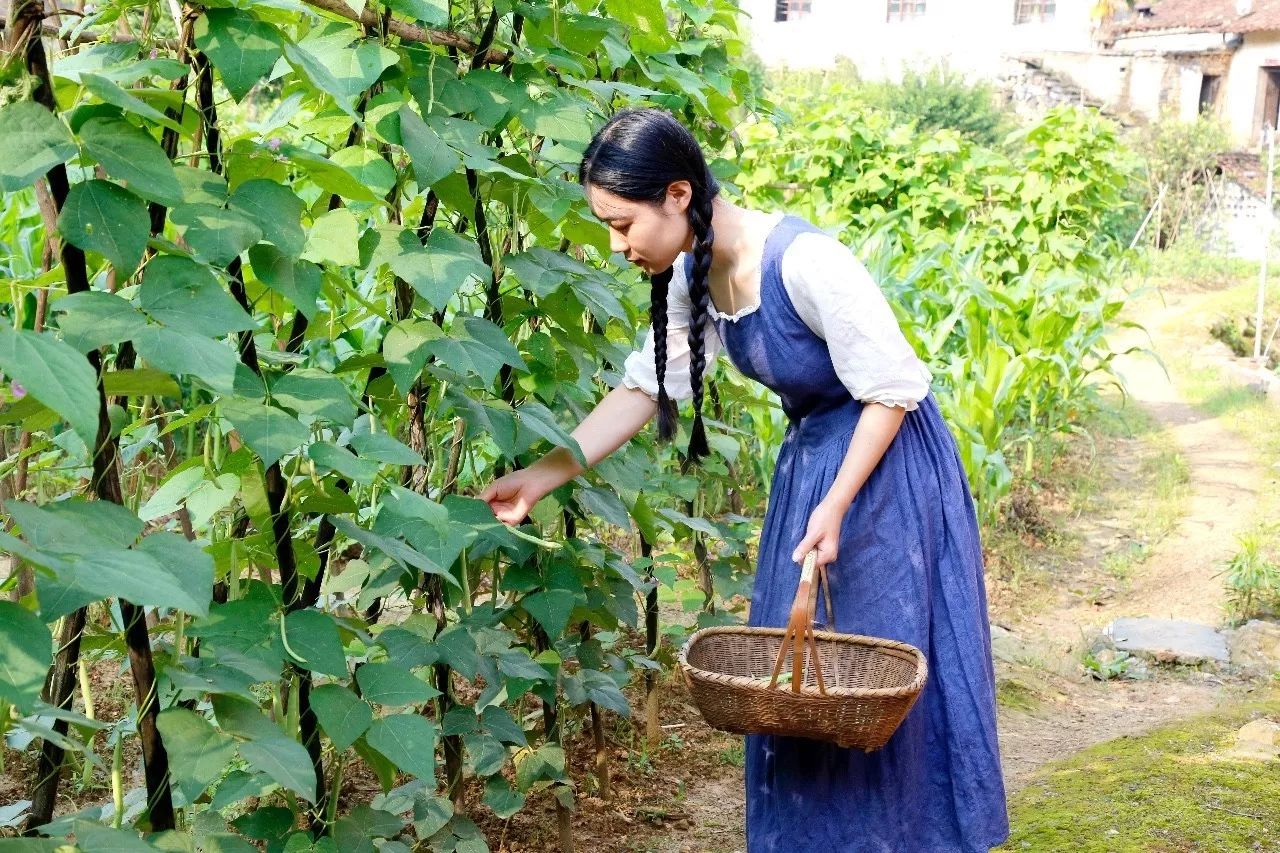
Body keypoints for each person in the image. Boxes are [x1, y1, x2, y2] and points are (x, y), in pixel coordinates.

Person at [479, 107, 1010, 852]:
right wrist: (540, 477)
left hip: (886, 471)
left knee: (871, 665)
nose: (616, 246)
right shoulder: (694, 274)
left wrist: (836, 502)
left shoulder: (805, 262)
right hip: (814, 470)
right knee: (797, 682)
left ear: (677, 194)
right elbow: (644, 389)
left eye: (622, 224)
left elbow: (892, 392)